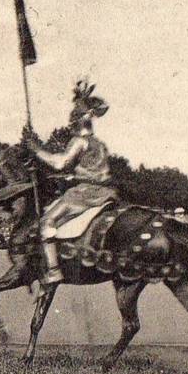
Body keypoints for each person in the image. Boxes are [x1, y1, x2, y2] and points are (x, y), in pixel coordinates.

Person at [25, 79, 116, 284]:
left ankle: (54, 270)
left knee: (46, 222)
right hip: (107, 193)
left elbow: (60, 163)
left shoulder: (79, 142)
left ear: (77, 121)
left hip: (84, 194)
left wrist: (36, 149)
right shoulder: (100, 144)